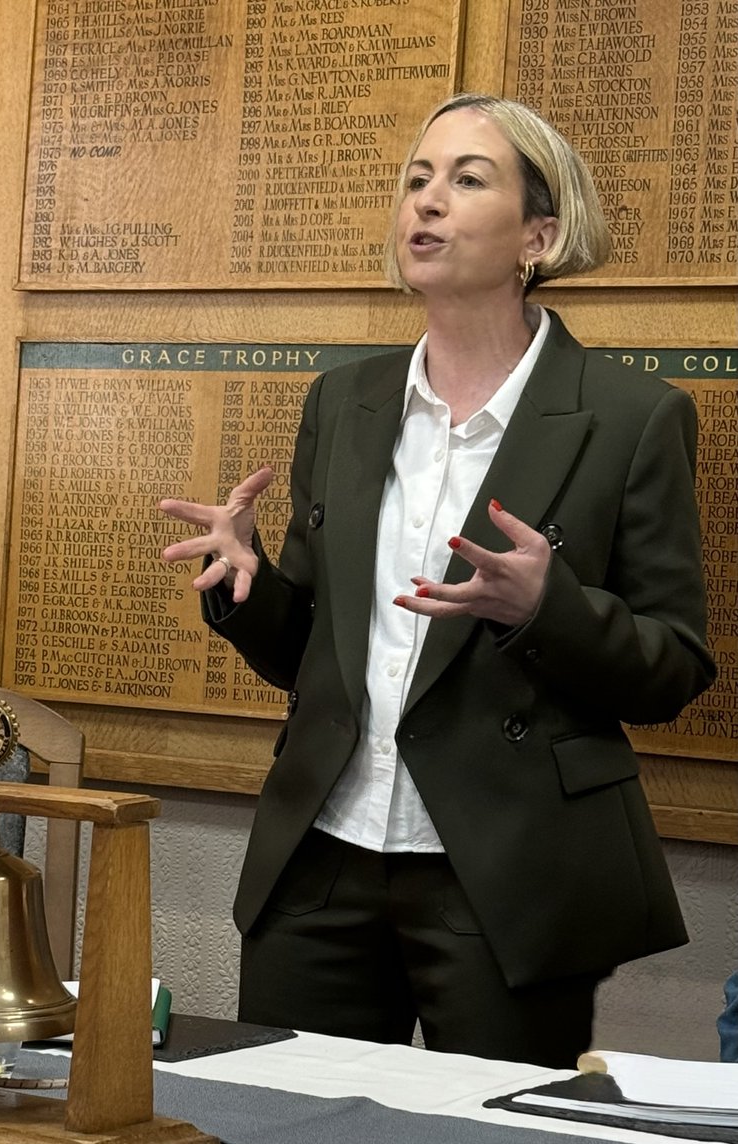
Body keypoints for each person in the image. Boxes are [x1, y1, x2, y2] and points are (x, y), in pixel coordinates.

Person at [159, 94, 715, 1068]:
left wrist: (548, 611)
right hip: (321, 859)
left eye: (466, 179)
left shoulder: (633, 417)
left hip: (506, 871)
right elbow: (312, 656)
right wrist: (246, 589)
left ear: (537, 234)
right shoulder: (346, 401)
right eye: (416, 178)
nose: (427, 202)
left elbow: (674, 668)